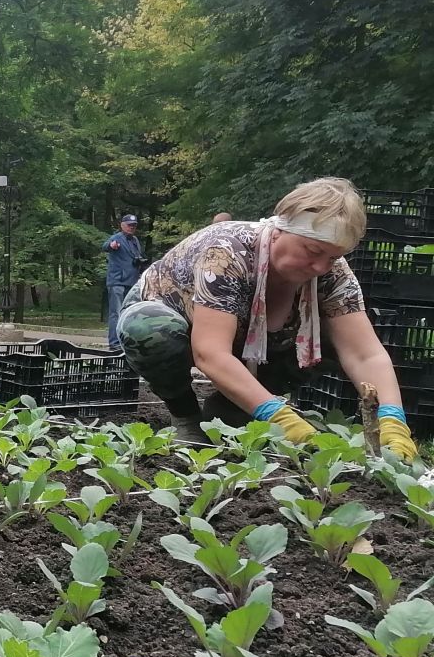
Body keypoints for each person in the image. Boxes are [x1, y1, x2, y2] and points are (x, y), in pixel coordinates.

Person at [116, 177, 417, 460]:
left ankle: (231, 408)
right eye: (313, 250)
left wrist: (393, 419)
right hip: (175, 321)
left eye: (333, 257)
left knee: (342, 334)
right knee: (149, 329)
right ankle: (186, 417)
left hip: (251, 335)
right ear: (280, 230)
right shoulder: (227, 253)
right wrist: (281, 418)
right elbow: (209, 352)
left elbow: (365, 354)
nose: (320, 266)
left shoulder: (332, 273)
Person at [102, 214, 144, 351]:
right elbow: (105, 246)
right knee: (116, 313)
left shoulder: (135, 240)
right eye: (129, 225)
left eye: (134, 225)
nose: (132, 228)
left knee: (130, 314)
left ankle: (127, 342)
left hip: (132, 281)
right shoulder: (117, 238)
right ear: (122, 225)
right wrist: (111, 246)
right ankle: (114, 343)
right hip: (118, 281)